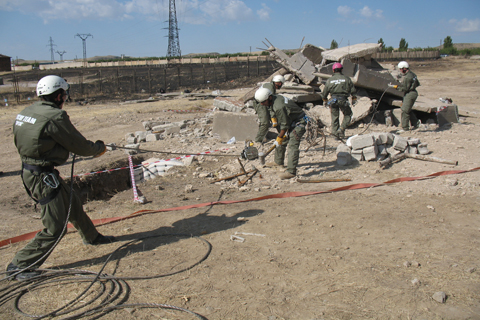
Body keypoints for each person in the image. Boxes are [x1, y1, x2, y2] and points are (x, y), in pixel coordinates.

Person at [6, 75, 115, 280]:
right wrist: (99, 148)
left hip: (35, 170)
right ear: (58, 96)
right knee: (55, 227)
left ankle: (92, 237)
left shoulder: (27, 112)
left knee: (72, 203)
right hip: (41, 176)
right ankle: (19, 266)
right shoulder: (55, 117)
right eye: (64, 94)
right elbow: (80, 146)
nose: (65, 97)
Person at [254, 87, 306, 180]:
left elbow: (285, 125)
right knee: (282, 141)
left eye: (263, 102)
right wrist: (274, 118)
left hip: (299, 123)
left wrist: (279, 138)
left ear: (269, 97)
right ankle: (278, 162)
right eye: (260, 102)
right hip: (290, 121)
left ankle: (291, 172)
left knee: (292, 146)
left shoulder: (279, 106)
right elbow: (272, 109)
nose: (262, 104)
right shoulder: (274, 99)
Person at [321, 62, 357, 139]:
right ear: (341, 70)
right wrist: (353, 99)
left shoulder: (329, 80)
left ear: (333, 70)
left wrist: (325, 100)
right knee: (348, 115)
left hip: (333, 101)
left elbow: (324, 94)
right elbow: (353, 91)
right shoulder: (347, 79)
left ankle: (335, 135)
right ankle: (341, 129)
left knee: (334, 118)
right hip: (343, 100)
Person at [253, 75, 285, 143]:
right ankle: (258, 140)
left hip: (264, 102)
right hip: (261, 103)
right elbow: (270, 103)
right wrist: (273, 116)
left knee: (277, 119)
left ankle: (283, 135)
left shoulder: (271, 86)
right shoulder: (270, 87)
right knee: (265, 123)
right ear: (280, 83)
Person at [390, 61, 421, 132]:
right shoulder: (412, 74)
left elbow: (405, 88)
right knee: (408, 109)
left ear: (404, 68)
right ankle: (416, 124)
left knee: (404, 111)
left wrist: (396, 87)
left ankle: (405, 127)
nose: (400, 71)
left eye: (401, 69)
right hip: (413, 92)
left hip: (410, 94)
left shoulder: (408, 77)